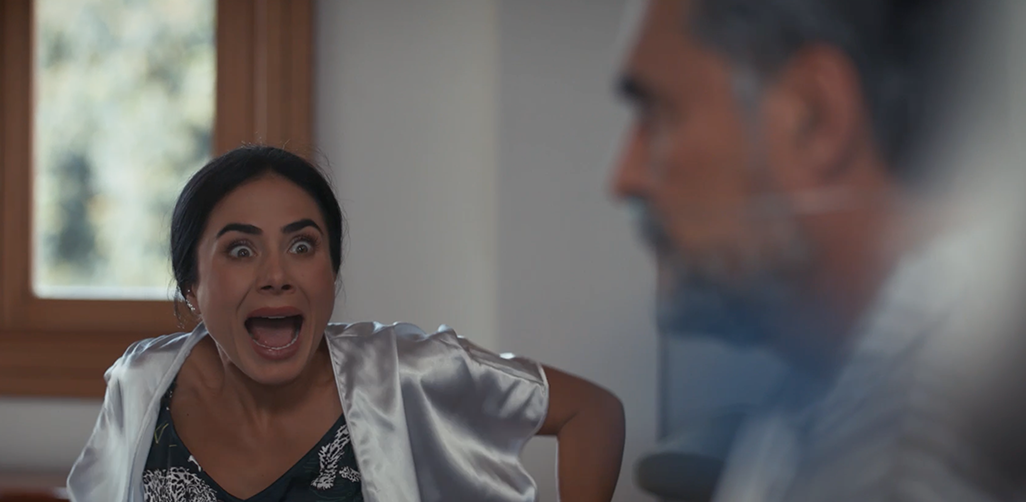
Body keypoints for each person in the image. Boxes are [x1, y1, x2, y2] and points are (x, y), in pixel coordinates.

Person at [610, 0, 1015, 500]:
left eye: (659, 115)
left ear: (814, 117)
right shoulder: (822, 407)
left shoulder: (925, 444)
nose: (624, 178)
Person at [67, 145, 626, 502]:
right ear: (191, 285)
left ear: (331, 274)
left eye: (302, 246)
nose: (276, 275)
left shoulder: (403, 373)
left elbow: (592, 412)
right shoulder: (141, 384)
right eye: (240, 250)